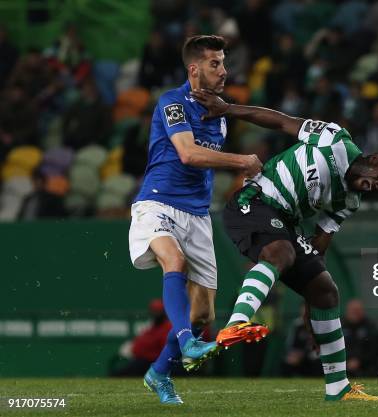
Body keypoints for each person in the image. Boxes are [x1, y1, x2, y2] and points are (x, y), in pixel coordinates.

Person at [190, 88, 378, 401]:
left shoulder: (350, 200)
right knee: (282, 251)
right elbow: (281, 122)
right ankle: (236, 323)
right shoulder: (335, 139)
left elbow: (319, 246)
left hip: (286, 224)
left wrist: (310, 301)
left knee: (326, 290)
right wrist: (227, 109)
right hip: (256, 200)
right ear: (373, 158)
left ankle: (338, 388)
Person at [128, 35, 262, 405]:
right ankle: (187, 342)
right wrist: (243, 162)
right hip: (157, 203)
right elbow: (187, 154)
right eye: (215, 63)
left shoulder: (219, 112)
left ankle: (158, 373)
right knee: (175, 262)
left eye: (223, 62)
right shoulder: (172, 102)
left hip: (198, 214)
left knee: (203, 313)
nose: (224, 70)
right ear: (194, 68)